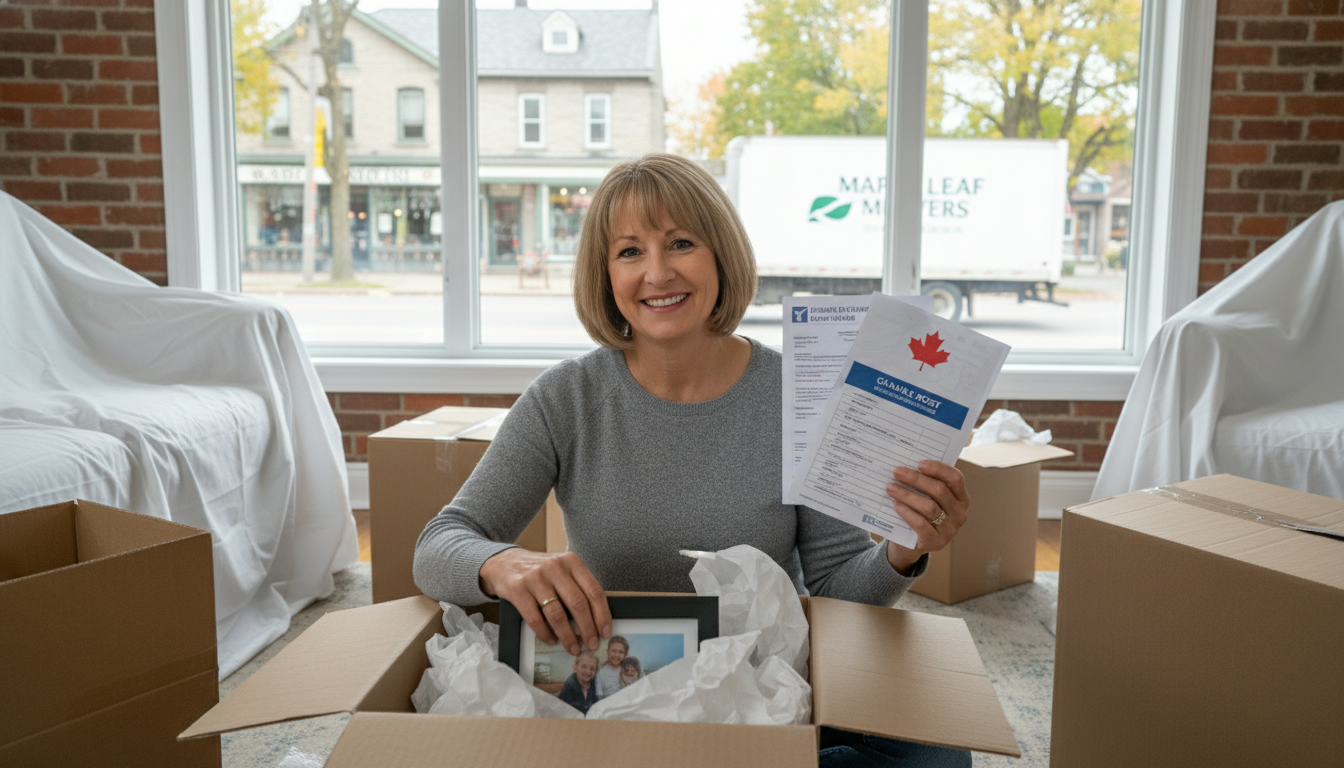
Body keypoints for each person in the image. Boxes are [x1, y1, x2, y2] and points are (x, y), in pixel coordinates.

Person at [414, 153, 972, 767]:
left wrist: (902, 549)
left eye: (681, 243)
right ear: (605, 274)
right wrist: (501, 563)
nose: (657, 273)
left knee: (938, 756)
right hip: (617, 690)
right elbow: (438, 544)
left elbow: (837, 589)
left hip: (758, 688)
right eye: (630, 251)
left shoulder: (797, 392)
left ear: (720, 256)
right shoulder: (565, 398)